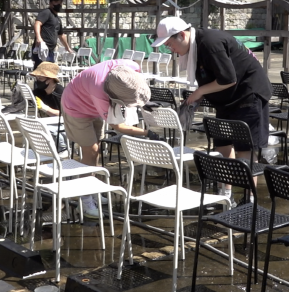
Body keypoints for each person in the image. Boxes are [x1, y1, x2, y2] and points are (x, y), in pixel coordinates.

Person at [152, 16, 272, 199]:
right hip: (227, 99)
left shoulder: (210, 43)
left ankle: (249, 200)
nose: (171, 50)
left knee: (245, 149)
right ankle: (226, 194)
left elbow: (227, 79)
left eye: (169, 44)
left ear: (182, 35)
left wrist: (200, 92)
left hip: (249, 94)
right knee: (222, 144)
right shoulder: (196, 46)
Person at [60, 60, 159, 218]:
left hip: (91, 104)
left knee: (96, 151)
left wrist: (142, 101)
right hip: (76, 106)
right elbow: (118, 126)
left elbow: (133, 82)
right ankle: (85, 200)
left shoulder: (130, 67)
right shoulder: (99, 90)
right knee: (91, 150)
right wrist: (147, 133)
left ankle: (90, 189)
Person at [33, 0, 73, 68]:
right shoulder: (47, 12)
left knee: (48, 73)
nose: (58, 4)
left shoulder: (57, 19)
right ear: (50, 3)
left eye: (60, 2)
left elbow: (61, 35)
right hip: (42, 48)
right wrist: (39, 38)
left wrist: (67, 47)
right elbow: (37, 23)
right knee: (42, 73)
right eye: (56, 1)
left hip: (50, 50)